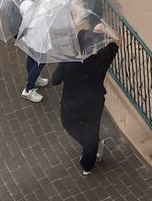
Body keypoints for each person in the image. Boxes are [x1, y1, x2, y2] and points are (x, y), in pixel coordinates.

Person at [51, 28, 121, 176]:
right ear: (93, 46)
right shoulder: (100, 60)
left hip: (71, 106)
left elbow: (55, 80)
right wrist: (105, 30)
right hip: (93, 105)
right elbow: (117, 41)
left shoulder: (68, 60)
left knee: (69, 125)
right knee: (91, 131)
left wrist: (62, 63)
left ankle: (93, 144)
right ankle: (88, 165)